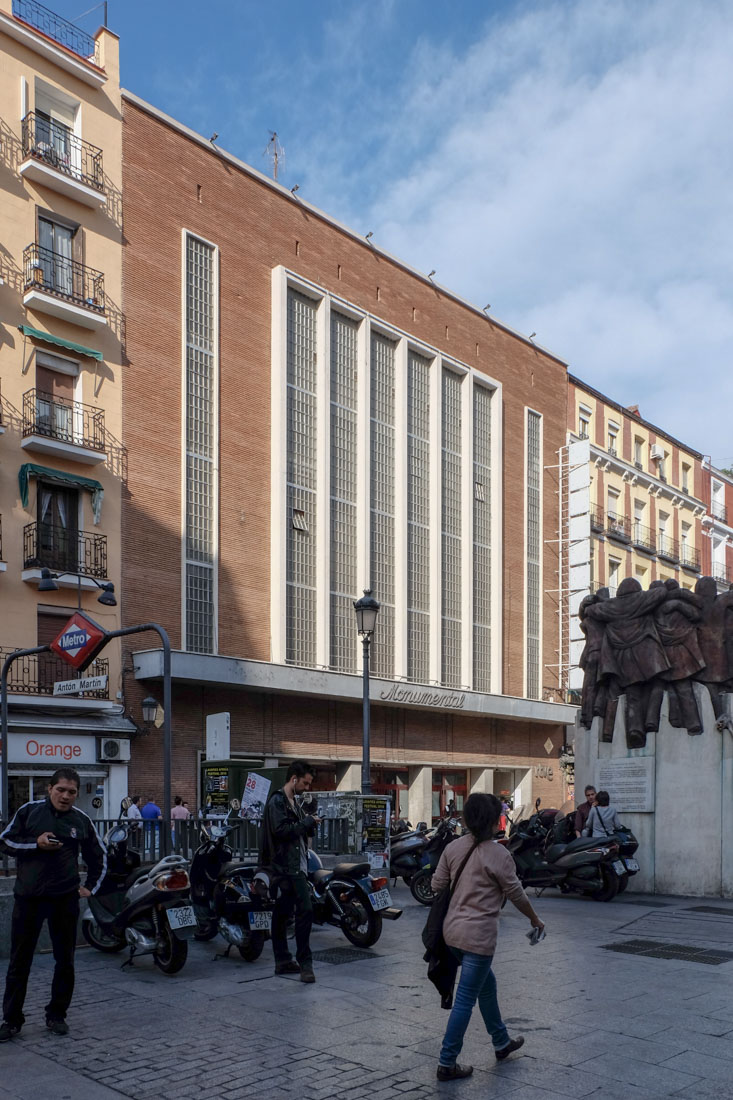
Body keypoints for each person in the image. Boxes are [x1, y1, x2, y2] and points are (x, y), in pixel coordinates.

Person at [431, 792, 544, 1081]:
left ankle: (501, 1041)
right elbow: (516, 893)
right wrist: (534, 918)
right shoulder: (499, 854)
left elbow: (436, 885)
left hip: (451, 934)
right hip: (478, 939)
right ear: (494, 821)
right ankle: (447, 1062)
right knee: (466, 999)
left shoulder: (453, 848)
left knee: (486, 985)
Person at [0, 768, 107, 1041]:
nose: (66, 796)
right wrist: (35, 844)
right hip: (29, 898)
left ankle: (56, 1015)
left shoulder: (81, 820)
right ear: (49, 789)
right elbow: (6, 841)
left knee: (65, 961)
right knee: (19, 961)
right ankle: (12, 1020)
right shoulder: (29, 811)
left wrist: (90, 887)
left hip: (65, 899)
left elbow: (99, 858)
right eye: (61, 790)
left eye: (72, 792)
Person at [259, 760, 321, 983]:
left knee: (282, 914)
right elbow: (281, 830)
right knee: (305, 910)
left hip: (296, 866)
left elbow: (295, 832)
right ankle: (305, 963)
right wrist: (306, 822)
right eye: (305, 783)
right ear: (294, 779)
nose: (307, 787)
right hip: (286, 868)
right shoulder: (277, 801)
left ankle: (283, 960)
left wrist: (309, 823)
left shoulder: (293, 802)